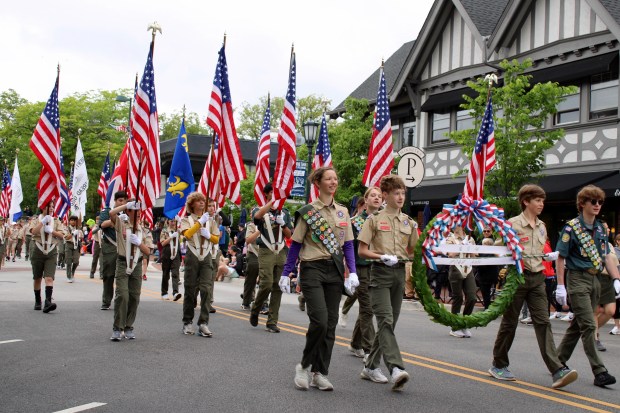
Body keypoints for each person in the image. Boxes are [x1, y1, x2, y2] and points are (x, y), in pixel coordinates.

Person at [488, 184, 577, 388]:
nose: (541, 204)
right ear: (526, 201)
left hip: (537, 278)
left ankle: (557, 369)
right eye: (537, 200)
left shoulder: (542, 226)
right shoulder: (512, 224)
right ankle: (498, 364)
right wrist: (508, 252)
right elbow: (498, 248)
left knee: (543, 322)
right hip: (517, 278)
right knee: (510, 323)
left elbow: (539, 250)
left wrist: (548, 256)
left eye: (542, 200)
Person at [281, 166, 358, 391]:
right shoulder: (308, 212)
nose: (333, 182)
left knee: (331, 325)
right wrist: (287, 272)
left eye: (335, 178)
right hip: (312, 268)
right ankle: (304, 365)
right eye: (329, 179)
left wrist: (352, 271)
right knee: (320, 321)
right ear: (318, 183)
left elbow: (349, 245)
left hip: (334, 271)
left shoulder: (343, 212)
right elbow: (295, 243)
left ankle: (320, 372)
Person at [555, 185, 620, 387]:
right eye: (593, 201)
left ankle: (556, 361)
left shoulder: (600, 228)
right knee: (589, 325)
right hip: (577, 279)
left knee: (578, 326)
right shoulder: (571, 227)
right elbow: (560, 258)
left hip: (596, 280)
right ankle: (599, 371)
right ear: (582, 203)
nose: (598, 205)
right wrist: (560, 287)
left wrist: (617, 279)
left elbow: (606, 256)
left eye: (600, 202)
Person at [357, 175, 417, 392]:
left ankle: (370, 366)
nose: (400, 197)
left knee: (389, 325)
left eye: (403, 193)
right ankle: (395, 368)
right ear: (385, 195)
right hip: (380, 273)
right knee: (385, 320)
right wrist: (380, 256)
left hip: (399, 273)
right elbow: (362, 250)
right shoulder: (373, 220)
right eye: (396, 193)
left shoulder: (409, 222)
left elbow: (413, 251)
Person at [249, 182, 293, 333]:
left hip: (281, 251)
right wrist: (271, 203)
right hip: (266, 250)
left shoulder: (285, 212)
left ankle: (272, 321)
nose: (276, 195)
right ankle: (256, 308)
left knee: (277, 286)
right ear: (267, 193)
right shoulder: (260, 209)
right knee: (266, 283)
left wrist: (283, 224)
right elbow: (257, 217)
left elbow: (289, 235)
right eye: (273, 192)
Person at [108, 199, 153, 341]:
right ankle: (117, 328)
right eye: (135, 210)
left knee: (134, 296)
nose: (138, 213)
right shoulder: (122, 224)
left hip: (137, 266)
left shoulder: (143, 230)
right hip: (123, 263)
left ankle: (128, 326)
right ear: (129, 212)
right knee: (122, 295)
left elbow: (148, 251)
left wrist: (139, 243)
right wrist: (126, 205)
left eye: (139, 210)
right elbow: (112, 213)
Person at [346, 186, 382, 359]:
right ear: (365, 200)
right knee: (367, 308)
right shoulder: (354, 222)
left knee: (368, 310)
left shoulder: (384, 221)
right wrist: (349, 272)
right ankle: (369, 350)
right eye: (372, 195)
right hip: (361, 268)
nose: (376, 198)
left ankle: (355, 343)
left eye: (379, 196)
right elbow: (349, 248)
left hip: (378, 268)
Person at [179, 193, 220, 337]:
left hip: (207, 255)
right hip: (192, 255)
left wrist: (209, 236)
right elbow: (186, 235)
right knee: (190, 289)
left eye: (204, 201)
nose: (202, 203)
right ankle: (187, 321)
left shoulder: (211, 221)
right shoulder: (187, 219)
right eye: (198, 201)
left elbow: (216, 240)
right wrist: (199, 223)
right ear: (192, 204)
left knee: (206, 289)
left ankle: (203, 323)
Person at [30, 199, 65, 313]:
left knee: (49, 278)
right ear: (42, 207)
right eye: (48, 206)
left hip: (51, 250)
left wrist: (52, 231)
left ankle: (48, 302)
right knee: (37, 278)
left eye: (52, 206)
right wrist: (42, 222)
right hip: (38, 250)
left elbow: (61, 235)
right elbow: (33, 232)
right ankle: (37, 300)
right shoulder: (36, 219)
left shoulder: (56, 221)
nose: (51, 208)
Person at [446, 225, 477, 338]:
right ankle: (455, 326)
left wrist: (469, 246)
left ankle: (464, 323)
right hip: (456, 268)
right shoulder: (450, 238)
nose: (456, 226)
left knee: (472, 297)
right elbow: (450, 254)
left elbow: (475, 255)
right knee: (458, 297)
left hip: (468, 269)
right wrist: (461, 246)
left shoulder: (470, 238)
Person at [99, 191, 127, 310]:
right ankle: (106, 300)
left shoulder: (128, 213)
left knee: (123, 275)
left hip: (124, 246)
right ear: (115, 201)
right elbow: (102, 224)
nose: (122, 203)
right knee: (109, 274)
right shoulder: (107, 212)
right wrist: (115, 220)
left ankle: (121, 299)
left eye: (124, 201)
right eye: (120, 200)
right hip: (110, 245)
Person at [593, 222, 617, 352]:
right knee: (595, 310)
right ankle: (594, 337)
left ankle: (590, 331)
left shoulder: (610, 245)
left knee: (610, 311)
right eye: (605, 228)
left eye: (608, 228)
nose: (607, 230)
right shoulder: (596, 243)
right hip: (597, 277)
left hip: (609, 280)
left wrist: (617, 280)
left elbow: (615, 264)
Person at [160, 217, 182, 301]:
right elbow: (163, 243)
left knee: (175, 273)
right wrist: (171, 237)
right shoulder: (164, 231)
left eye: (174, 221)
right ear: (168, 221)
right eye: (171, 221)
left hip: (176, 253)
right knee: (166, 274)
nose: (173, 223)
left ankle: (175, 292)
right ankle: (164, 292)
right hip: (167, 253)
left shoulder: (178, 230)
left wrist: (180, 221)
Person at [240, 221, 260, 310]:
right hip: (254, 254)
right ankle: (246, 301)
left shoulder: (271, 224)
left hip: (267, 255)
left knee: (266, 281)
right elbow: (248, 240)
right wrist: (259, 230)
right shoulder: (252, 226)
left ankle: (263, 303)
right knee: (251, 280)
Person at [477, 236, 499, 310]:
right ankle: (487, 306)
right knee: (486, 293)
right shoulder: (481, 252)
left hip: (488, 276)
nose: (486, 245)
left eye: (488, 243)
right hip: (484, 275)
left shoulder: (492, 253)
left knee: (486, 292)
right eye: (485, 243)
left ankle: (487, 307)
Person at [64, 215, 83, 283]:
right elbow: (66, 237)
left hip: (76, 245)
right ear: (69, 221)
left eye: (75, 220)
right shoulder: (67, 228)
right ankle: (68, 276)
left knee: (76, 261)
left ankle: (72, 273)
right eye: (72, 220)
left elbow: (81, 237)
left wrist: (79, 234)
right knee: (69, 262)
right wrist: (73, 233)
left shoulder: (78, 228)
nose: (73, 222)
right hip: (69, 244)